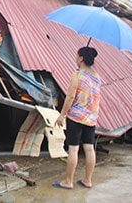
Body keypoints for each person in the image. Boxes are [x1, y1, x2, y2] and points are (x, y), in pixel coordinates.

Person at [53, 46, 101, 190]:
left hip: (76, 117)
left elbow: (71, 96)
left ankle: (68, 181)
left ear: (81, 58)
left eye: (76, 56)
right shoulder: (97, 77)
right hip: (91, 118)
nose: (75, 58)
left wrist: (62, 115)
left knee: (73, 149)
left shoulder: (78, 75)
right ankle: (87, 180)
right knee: (89, 148)